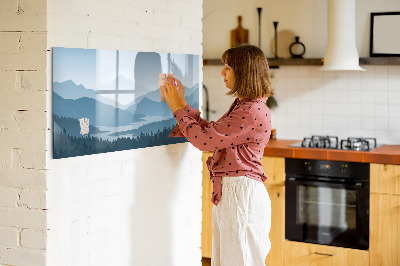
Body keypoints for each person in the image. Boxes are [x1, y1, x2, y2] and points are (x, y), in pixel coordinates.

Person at [161, 44, 273, 266]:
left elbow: (204, 141)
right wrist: (183, 103)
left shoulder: (250, 111)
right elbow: (212, 133)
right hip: (236, 193)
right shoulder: (246, 106)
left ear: (244, 72)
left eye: (228, 67)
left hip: (241, 195)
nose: (222, 72)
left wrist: (176, 108)